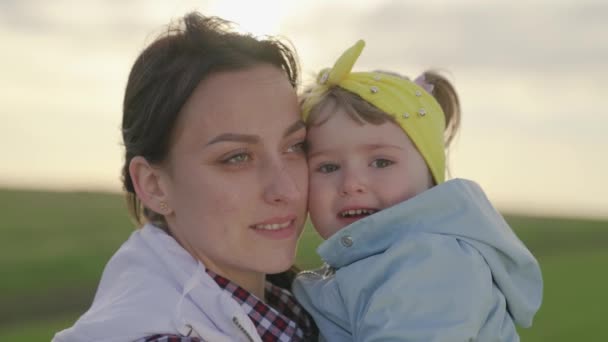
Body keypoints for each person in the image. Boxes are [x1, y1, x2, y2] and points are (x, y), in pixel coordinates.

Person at [53, 12, 317, 342]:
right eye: (236, 157)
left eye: (295, 146)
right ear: (154, 185)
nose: (287, 190)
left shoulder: (294, 308)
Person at [292, 40, 543, 341]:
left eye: (381, 162)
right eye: (328, 167)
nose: (351, 183)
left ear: (431, 176)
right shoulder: (368, 264)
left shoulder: (432, 262)